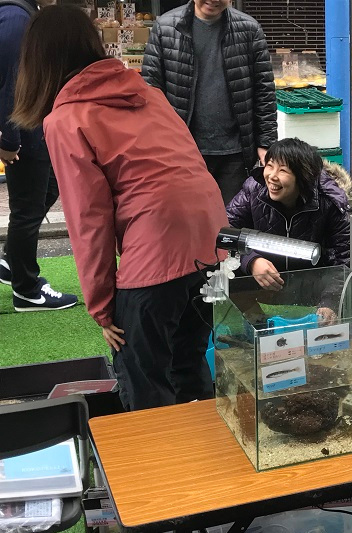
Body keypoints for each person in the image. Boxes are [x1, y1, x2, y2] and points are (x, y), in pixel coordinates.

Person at [11, 5, 229, 411]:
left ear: (37, 60)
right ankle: (203, 450)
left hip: (157, 249)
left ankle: (159, 454)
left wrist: (101, 306)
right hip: (212, 241)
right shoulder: (149, 93)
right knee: (189, 365)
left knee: (145, 382)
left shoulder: (67, 119)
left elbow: (88, 220)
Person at [226, 138, 352, 325]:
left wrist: (331, 301)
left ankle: (330, 327)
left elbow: (351, 256)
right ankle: (259, 322)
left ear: (303, 176)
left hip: (313, 281)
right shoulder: (253, 191)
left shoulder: (329, 201)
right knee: (218, 270)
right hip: (267, 279)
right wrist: (251, 261)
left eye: (283, 170)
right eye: (270, 166)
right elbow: (225, 233)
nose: (272, 176)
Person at [142, 0, 277, 203]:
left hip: (235, 154)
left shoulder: (249, 29)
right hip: (183, 152)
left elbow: (264, 90)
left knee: (231, 219)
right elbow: (151, 93)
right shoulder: (165, 28)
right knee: (189, 216)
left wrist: (266, 144)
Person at [0, 0, 77, 311]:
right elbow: (11, 83)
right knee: (27, 210)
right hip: (24, 131)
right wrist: (9, 139)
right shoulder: (16, 17)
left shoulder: (25, 14)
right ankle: (27, 289)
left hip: (34, 127)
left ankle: (12, 260)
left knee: (50, 188)